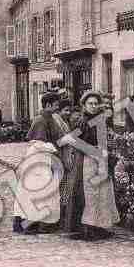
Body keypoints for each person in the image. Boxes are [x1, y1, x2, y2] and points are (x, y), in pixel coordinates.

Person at [69, 91, 120, 241]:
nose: (93, 106)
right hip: (87, 161)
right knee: (90, 194)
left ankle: (100, 226)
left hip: (101, 158)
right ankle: (88, 228)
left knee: (103, 194)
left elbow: (103, 140)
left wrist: (105, 153)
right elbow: (73, 141)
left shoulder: (101, 120)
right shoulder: (81, 122)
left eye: (96, 104)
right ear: (84, 105)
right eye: (90, 103)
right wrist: (92, 151)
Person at [13, 92, 64, 235]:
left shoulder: (49, 118)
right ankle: (30, 223)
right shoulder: (40, 120)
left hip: (44, 159)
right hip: (37, 160)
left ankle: (39, 221)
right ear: (48, 105)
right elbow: (37, 143)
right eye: (55, 105)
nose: (57, 107)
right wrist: (53, 148)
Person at [54, 98, 77, 232]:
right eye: (65, 110)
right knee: (63, 188)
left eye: (69, 110)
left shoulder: (64, 122)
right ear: (60, 110)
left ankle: (62, 218)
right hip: (63, 158)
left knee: (65, 189)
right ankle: (61, 218)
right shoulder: (58, 122)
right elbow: (59, 141)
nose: (68, 113)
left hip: (66, 157)